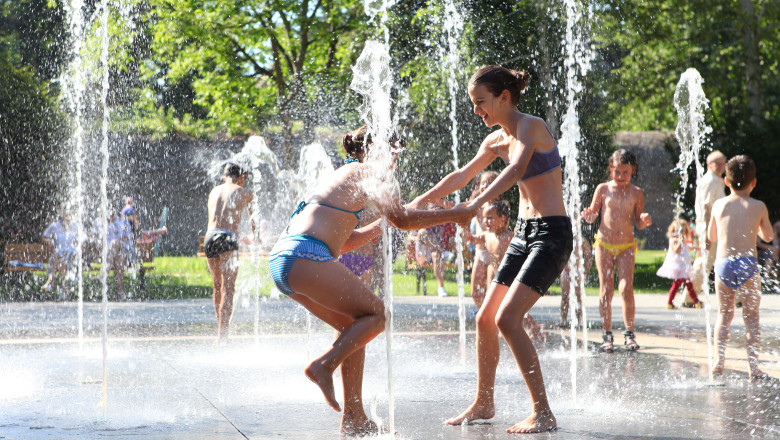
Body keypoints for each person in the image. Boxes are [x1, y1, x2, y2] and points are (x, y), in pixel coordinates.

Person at [268, 125, 468, 435]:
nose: (395, 163)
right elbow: (403, 220)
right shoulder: (366, 173)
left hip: (286, 258)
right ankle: (325, 365)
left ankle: (354, 418)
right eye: (394, 154)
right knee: (377, 315)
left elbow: (346, 241)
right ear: (375, 150)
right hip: (305, 256)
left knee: (355, 326)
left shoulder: (345, 174)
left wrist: (384, 222)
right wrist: (454, 214)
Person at [409, 65, 572, 433]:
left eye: (480, 102)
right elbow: (461, 176)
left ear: (503, 97)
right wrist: (422, 199)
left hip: (552, 234)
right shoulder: (495, 140)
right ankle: (484, 401)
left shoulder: (531, 126)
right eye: (472, 103)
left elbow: (515, 170)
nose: (476, 110)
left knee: (506, 319)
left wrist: (473, 205)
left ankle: (543, 411)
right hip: (524, 234)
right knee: (485, 319)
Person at [708, 155, 773, 381]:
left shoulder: (719, 204)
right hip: (748, 264)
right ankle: (753, 368)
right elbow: (769, 235)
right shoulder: (758, 206)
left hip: (724, 264)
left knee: (724, 315)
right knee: (752, 317)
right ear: (753, 182)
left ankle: (718, 361)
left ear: (726, 181)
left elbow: (711, 236)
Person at [582, 149, 652, 353]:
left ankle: (629, 333)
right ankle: (607, 333)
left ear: (633, 171)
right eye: (617, 172)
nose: (621, 177)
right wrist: (588, 215)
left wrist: (644, 220)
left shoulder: (636, 192)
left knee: (625, 288)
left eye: (625, 172)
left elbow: (638, 222)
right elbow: (594, 215)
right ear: (610, 169)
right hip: (604, 244)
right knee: (606, 289)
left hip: (626, 246)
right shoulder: (603, 189)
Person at [205, 162, 258, 343]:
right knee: (228, 288)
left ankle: (220, 333)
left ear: (224, 176)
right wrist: (256, 238)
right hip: (227, 237)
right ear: (241, 177)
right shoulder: (244, 192)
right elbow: (254, 222)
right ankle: (223, 337)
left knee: (216, 285)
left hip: (209, 237)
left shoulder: (214, 191)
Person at [690, 151, 727, 304]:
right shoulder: (710, 181)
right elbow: (706, 208)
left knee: (712, 260)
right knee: (705, 261)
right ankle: (689, 296)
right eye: (717, 164)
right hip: (708, 226)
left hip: (716, 226)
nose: (721, 167)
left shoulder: (717, 180)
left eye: (723, 163)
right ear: (709, 165)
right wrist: (706, 233)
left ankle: (690, 296)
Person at [468, 171, 500, 307]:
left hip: (495, 254)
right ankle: (484, 316)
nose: (486, 186)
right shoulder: (477, 205)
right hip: (480, 253)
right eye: (483, 183)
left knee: (491, 294)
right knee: (475, 293)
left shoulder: (501, 206)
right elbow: (456, 208)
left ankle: (491, 319)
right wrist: (438, 201)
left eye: (490, 183)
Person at [656, 218, 701, 309]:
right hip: (678, 267)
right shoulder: (673, 240)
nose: (680, 233)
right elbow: (677, 250)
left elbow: (687, 247)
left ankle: (696, 302)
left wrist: (696, 248)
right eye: (677, 230)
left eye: (683, 231)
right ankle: (671, 302)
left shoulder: (683, 241)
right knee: (678, 285)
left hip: (684, 267)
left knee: (686, 285)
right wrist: (680, 241)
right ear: (673, 230)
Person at [41, 208, 79, 299]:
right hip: (59, 254)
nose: (67, 216)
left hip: (71, 254)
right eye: (65, 214)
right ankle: (64, 290)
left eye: (68, 214)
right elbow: (44, 237)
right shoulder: (54, 226)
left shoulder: (75, 225)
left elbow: (82, 238)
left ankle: (50, 282)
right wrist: (50, 241)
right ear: (61, 215)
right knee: (61, 262)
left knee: (57, 255)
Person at [559, 238, 592, 328]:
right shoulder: (563, 239)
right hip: (566, 272)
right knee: (565, 297)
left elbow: (588, 256)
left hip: (577, 272)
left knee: (578, 298)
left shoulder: (582, 240)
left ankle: (579, 321)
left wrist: (586, 272)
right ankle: (563, 320)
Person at [105, 211, 133, 300]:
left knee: (115, 244)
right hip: (106, 253)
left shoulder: (123, 222)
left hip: (122, 248)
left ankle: (105, 272)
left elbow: (128, 238)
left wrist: (117, 240)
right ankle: (121, 292)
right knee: (119, 258)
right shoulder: (100, 222)